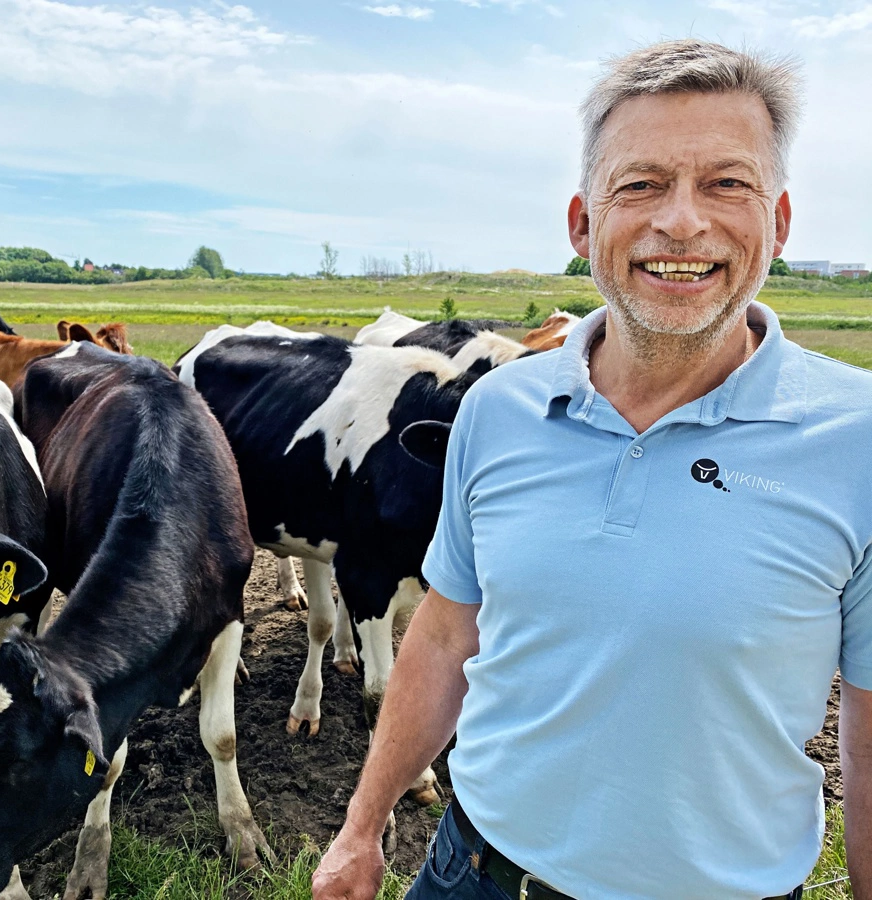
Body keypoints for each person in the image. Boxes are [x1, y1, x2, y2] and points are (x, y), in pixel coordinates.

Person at [312, 38, 872, 900]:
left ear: (781, 222)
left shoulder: (858, 438)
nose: (682, 222)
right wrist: (361, 826)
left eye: (728, 183)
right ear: (582, 223)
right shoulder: (498, 410)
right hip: (473, 869)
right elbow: (445, 633)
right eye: (640, 183)